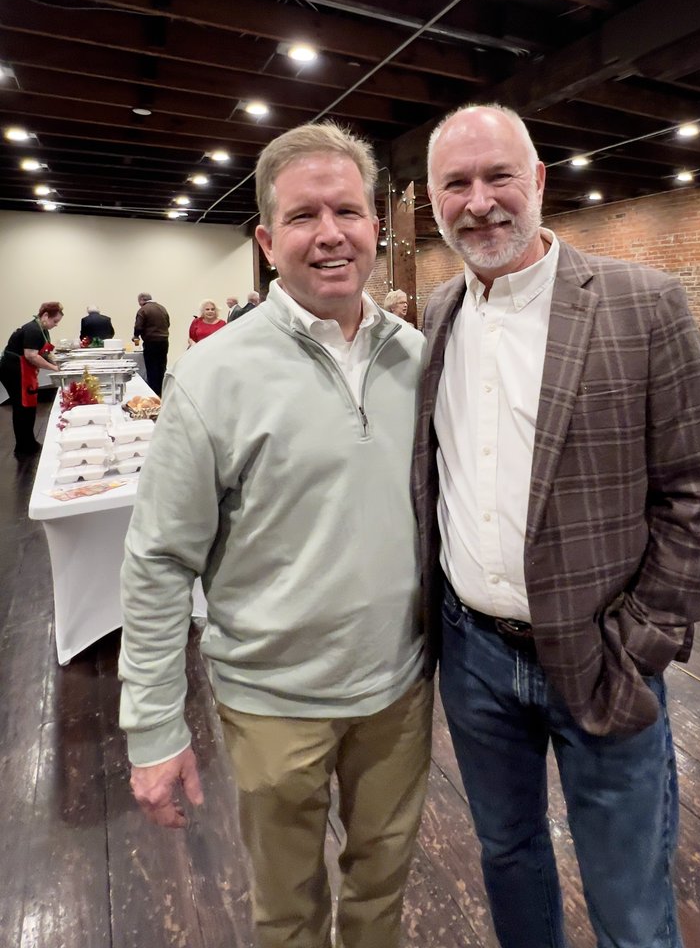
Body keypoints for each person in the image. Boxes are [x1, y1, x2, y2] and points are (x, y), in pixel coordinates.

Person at [412, 104, 700, 948]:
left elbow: (699, 490)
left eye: (498, 176)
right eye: (456, 184)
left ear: (540, 181)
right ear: (433, 202)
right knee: (508, 856)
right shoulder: (439, 311)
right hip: (473, 656)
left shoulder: (643, 303)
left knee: (627, 897)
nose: (479, 202)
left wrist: (647, 638)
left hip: (604, 657)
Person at [119, 121, 432, 948]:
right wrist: (153, 727)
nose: (329, 234)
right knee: (286, 912)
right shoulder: (215, 374)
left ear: (377, 227)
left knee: (381, 892)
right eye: (302, 217)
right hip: (272, 706)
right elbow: (157, 559)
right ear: (265, 239)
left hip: (398, 693)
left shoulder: (420, 357)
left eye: (348, 211)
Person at [0, 302, 63, 457]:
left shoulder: (43, 330)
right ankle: (22, 446)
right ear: (45, 315)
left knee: (29, 407)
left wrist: (57, 363)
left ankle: (29, 441)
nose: (55, 325)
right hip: (13, 370)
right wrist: (54, 368)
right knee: (22, 407)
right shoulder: (32, 330)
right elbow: (31, 355)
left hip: (23, 370)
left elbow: (46, 352)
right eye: (54, 321)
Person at [133, 292, 170, 397]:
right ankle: (163, 392)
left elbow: (138, 327)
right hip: (164, 341)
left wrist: (136, 336)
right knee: (161, 367)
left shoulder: (143, 310)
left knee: (151, 368)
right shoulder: (162, 308)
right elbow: (168, 323)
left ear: (141, 300)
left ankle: (153, 393)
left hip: (151, 342)